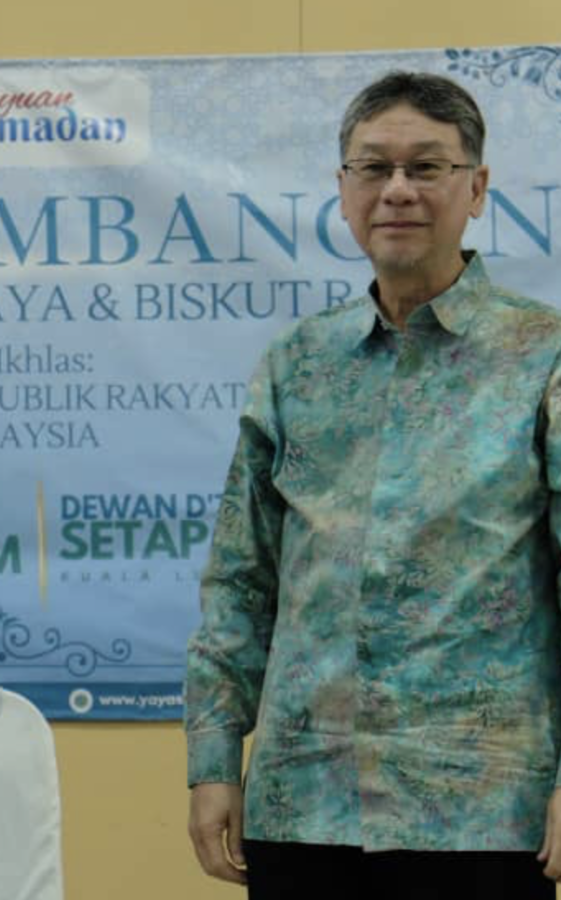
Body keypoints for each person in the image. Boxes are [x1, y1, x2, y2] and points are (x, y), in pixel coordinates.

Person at [185, 71, 561, 899]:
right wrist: (213, 759)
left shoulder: (542, 358)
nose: (397, 190)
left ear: (477, 188)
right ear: (343, 188)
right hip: (304, 800)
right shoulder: (297, 365)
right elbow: (241, 582)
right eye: (373, 168)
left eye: (426, 167)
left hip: (481, 808)